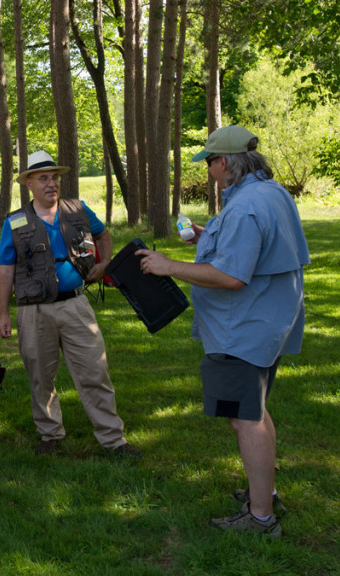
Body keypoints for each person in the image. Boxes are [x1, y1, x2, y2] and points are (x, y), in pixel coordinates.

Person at [136, 126, 308, 537]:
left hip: (242, 330)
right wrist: (205, 235)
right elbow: (257, 247)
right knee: (256, 411)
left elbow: (231, 276)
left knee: (244, 418)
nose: (211, 171)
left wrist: (168, 266)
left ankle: (261, 517)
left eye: (211, 162)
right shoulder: (272, 193)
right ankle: (264, 491)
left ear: (225, 162)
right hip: (269, 323)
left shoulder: (246, 206)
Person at [0, 150, 140, 457]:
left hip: (76, 306)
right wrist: (4, 313)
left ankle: (114, 440)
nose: (52, 184)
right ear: (29, 184)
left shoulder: (78, 209)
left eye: (55, 178)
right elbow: (6, 268)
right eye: (44, 178)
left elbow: (103, 237)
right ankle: (50, 434)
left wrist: (105, 264)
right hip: (33, 310)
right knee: (40, 375)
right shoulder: (15, 221)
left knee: (94, 372)